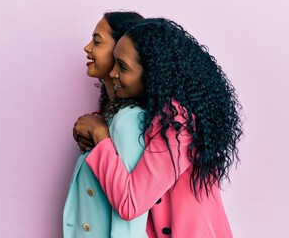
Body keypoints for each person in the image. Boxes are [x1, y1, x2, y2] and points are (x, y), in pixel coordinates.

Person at [76, 18, 243, 237]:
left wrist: (100, 136)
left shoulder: (178, 125)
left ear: (153, 73)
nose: (113, 73)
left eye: (123, 66)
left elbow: (130, 203)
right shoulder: (161, 111)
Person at [63, 11, 148, 238]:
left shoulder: (129, 119)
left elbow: (130, 216)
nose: (88, 48)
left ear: (123, 48)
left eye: (97, 42)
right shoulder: (108, 117)